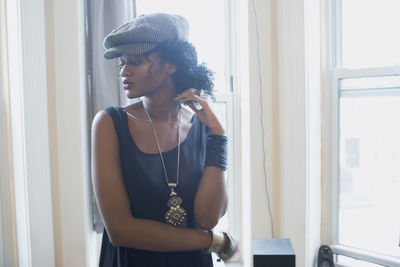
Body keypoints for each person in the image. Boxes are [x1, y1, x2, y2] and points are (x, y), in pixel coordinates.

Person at [91, 13, 238, 267]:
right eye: (122, 63)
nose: (124, 71)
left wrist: (219, 136)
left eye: (135, 61)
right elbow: (120, 231)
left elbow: (207, 219)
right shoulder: (109, 123)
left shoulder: (203, 128)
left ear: (171, 65)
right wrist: (215, 242)